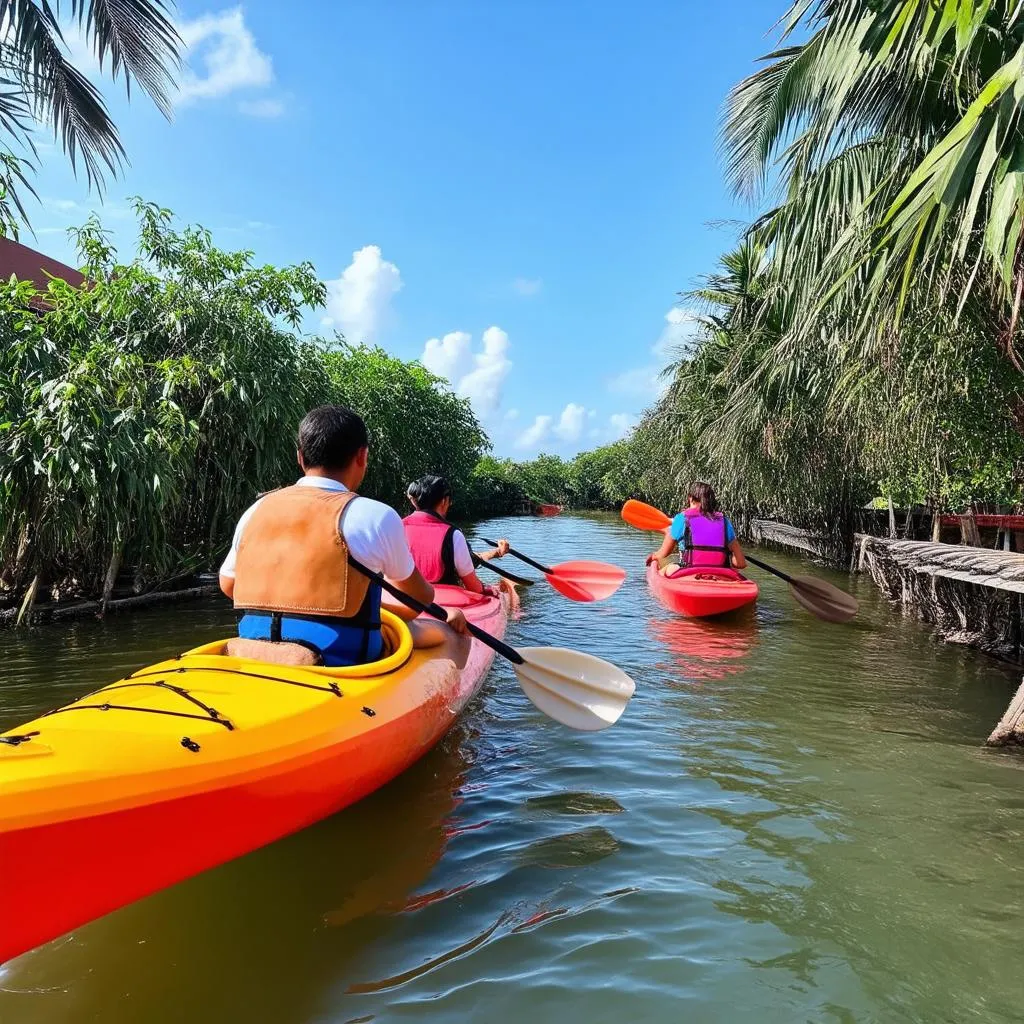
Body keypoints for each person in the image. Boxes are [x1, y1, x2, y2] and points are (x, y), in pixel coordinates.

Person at [219, 405, 467, 667]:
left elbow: (228, 585)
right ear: (362, 456)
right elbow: (419, 598)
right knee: (449, 630)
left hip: (254, 647)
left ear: (300, 457)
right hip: (340, 656)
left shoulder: (255, 511)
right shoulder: (376, 515)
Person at [404, 475, 519, 606]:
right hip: (444, 605)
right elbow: (473, 586)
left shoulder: (397, 527)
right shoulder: (453, 534)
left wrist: (498, 552)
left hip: (403, 602)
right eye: (449, 500)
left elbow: (472, 558)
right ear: (444, 501)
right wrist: (490, 591)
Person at [645, 481, 747, 574]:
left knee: (664, 570)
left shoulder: (681, 518)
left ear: (690, 498)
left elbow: (663, 554)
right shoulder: (724, 521)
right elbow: (741, 563)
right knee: (734, 570)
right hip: (720, 573)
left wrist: (653, 556)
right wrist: (729, 556)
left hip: (688, 570)